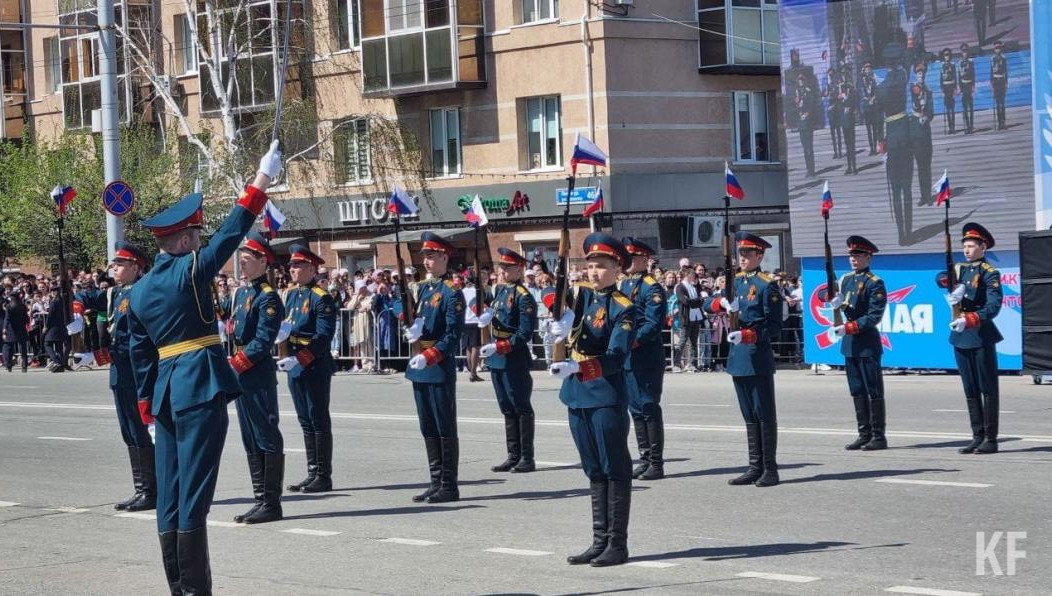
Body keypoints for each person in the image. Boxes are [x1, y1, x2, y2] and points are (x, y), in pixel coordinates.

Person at [127, 141, 282, 594]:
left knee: (170, 499)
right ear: (182, 240)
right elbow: (232, 233)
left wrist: (145, 408)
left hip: (165, 396)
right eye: (195, 236)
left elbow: (141, 358)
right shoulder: (187, 270)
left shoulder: (137, 291)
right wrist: (262, 179)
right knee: (193, 497)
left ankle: (179, 589)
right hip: (200, 386)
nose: (200, 242)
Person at [548, 232, 635, 567]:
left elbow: (616, 356)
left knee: (615, 468)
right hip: (576, 395)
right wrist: (556, 322)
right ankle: (599, 540)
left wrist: (578, 366)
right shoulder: (581, 297)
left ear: (617, 270)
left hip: (604, 395)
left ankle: (617, 544)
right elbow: (555, 302)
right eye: (590, 265)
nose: (594, 271)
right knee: (593, 469)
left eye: (602, 266)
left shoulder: (623, 308)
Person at [73, 243, 156, 511]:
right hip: (120, 372)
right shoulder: (116, 293)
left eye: (120, 265)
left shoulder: (142, 292)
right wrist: (73, 303)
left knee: (141, 432)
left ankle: (151, 491)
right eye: (114, 265)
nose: (114, 269)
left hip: (137, 372)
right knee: (129, 432)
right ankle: (141, 488)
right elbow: (88, 300)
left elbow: (138, 342)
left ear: (135, 267)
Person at [705, 233, 782, 487]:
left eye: (749, 254)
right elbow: (706, 303)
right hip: (737, 357)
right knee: (749, 414)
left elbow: (774, 326)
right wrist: (720, 304)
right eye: (741, 254)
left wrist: (748, 334)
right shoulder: (733, 282)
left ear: (760, 256)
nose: (744, 258)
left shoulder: (765, 284)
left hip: (756, 355)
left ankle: (770, 468)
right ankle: (754, 466)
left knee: (764, 413)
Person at [228, 232, 286, 524]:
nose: (242, 263)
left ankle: (272, 503)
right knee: (250, 439)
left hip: (257, 375)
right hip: (241, 375)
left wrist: (237, 363)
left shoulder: (268, 297)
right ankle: (259, 498)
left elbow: (263, 341)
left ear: (264, 261)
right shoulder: (241, 293)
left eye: (248, 259)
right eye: (241, 258)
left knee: (266, 438)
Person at [404, 232, 465, 503]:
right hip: (420, 363)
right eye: (424, 257)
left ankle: (449, 485)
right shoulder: (423, 289)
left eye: (431, 256)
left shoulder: (452, 292)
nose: (426, 261)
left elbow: (453, 333)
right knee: (427, 425)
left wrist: (432, 354)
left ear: (444, 257)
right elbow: (403, 308)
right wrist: (409, 326)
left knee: (444, 426)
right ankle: (435, 480)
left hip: (437, 364)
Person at [280, 244, 337, 494]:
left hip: (313, 365)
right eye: (291, 265)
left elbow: (324, 336)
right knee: (305, 421)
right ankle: (312, 471)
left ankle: (323, 475)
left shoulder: (321, 298)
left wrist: (301, 358)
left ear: (311, 268)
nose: (292, 269)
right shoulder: (292, 295)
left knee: (318, 419)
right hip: (295, 364)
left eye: (297, 265)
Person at [479, 248, 538, 473]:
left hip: (514, 357)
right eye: (502, 267)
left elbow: (524, 333)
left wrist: (501, 346)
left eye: (508, 267)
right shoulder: (501, 292)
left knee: (521, 406)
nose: (503, 271)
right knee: (506, 407)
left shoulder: (524, 296)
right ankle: (513, 455)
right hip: (497, 359)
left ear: (519, 269)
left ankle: (527, 457)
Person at [828, 237, 889, 451]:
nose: (853, 259)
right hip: (850, 343)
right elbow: (847, 307)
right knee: (856, 389)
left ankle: (878, 436)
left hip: (866, 342)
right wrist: (838, 304)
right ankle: (864, 434)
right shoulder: (846, 280)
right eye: (851, 255)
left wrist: (849, 327)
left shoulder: (875, 282)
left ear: (868, 257)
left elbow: (874, 316)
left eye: (858, 255)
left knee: (873, 390)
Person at [947, 223, 1003, 454]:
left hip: (980, 334)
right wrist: (950, 292)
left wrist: (969, 318)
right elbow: (942, 279)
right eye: (965, 246)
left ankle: (990, 438)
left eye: (972, 246)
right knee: (970, 388)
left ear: (983, 247)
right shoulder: (958, 270)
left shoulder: (989, 273)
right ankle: (976, 435)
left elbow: (993, 307)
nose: (967, 250)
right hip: (960, 336)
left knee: (987, 388)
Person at [618, 238, 667, 481]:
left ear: (644, 260)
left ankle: (656, 463)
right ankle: (645, 458)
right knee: (635, 409)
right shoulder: (623, 284)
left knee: (648, 407)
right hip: (628, 357)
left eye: (631, 258)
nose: (625, 263)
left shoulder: (651, 288)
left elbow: (652, 325)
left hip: (645, 356)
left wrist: (632, 340)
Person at [878, 42, 914, 245]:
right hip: (906, 137)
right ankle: (909, 231)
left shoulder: (880, 87)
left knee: (896, 190)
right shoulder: (901, 78)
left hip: (890, 138)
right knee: (907, 187)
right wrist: (908, 44)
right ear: (897, 63)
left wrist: (881, 143)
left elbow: (875, 119)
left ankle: (901, 234)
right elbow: (908, 65)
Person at [910, 63, 935, 206]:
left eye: (923, 74)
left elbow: (931, 109)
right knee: (920, 165)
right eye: (919, 74)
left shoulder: (928, 90)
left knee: (927, 164)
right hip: (916, 129)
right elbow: (915, 101)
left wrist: (928, 117)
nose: (921, 76)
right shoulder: (914, 88)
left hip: (925, 129)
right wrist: (921, 102)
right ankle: (922, 196)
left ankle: (928, 195)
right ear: (916, 75)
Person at [796, 73, 819, 178]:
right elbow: (796, 107)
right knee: (804, 147)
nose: (801, 82)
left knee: (809, 147)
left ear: (804, 81)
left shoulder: (808, 92)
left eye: (802, 80)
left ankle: (812, 170)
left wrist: (807, 114)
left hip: (808, 122)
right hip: (801, 123)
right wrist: (796, 103)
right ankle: (807, 169)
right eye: (799, 80)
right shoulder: (798, 93)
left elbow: (811, 105)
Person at [2, 290, 30, 373]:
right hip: (21, 329)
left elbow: (7, 318)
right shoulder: (22, 306)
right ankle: (24, 366)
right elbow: (26, 318)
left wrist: (4, 328)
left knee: (9, 347)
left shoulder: (9, 307)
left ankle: (8, 365)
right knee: (23, 348)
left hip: (12, 329)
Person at [939, 48, 958, 134]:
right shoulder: (942, 65)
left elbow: (955, 77)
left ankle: (953, 126)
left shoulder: (953, 65)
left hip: (951, 86)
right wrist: (942, 90)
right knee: (947, 109)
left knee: (952, 109)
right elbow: (941, 78)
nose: (947, 57)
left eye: (948, 55)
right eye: (946, 55)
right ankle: (950, 127)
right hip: (945, 87)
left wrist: (955, 88)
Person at [990, 40, 1008, 130]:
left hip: (1001, 80)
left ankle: (1003, 122)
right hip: (995, 82)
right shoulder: (992, 59)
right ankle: (998, 122)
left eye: (999, 48)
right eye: (996, 48)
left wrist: (1006, 83)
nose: (998, 50)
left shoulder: (1004, 58)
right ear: (994, 49)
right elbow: (991, 72)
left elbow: (1006, 71)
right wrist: (991, 84)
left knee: (1002, 103)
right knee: (997, 104)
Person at [959, 44, 975, 134]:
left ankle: (971, 125)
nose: (964, 53)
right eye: (963, 51)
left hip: (969, 85)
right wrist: (960, 88)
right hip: (963, 86)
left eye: (966, 51)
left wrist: (973, 86)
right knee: (964, 108)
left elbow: (973, 74)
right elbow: (959, 76)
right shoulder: (960, 63)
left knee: (971, 107)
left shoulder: (971, 62)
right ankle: (967, 125)